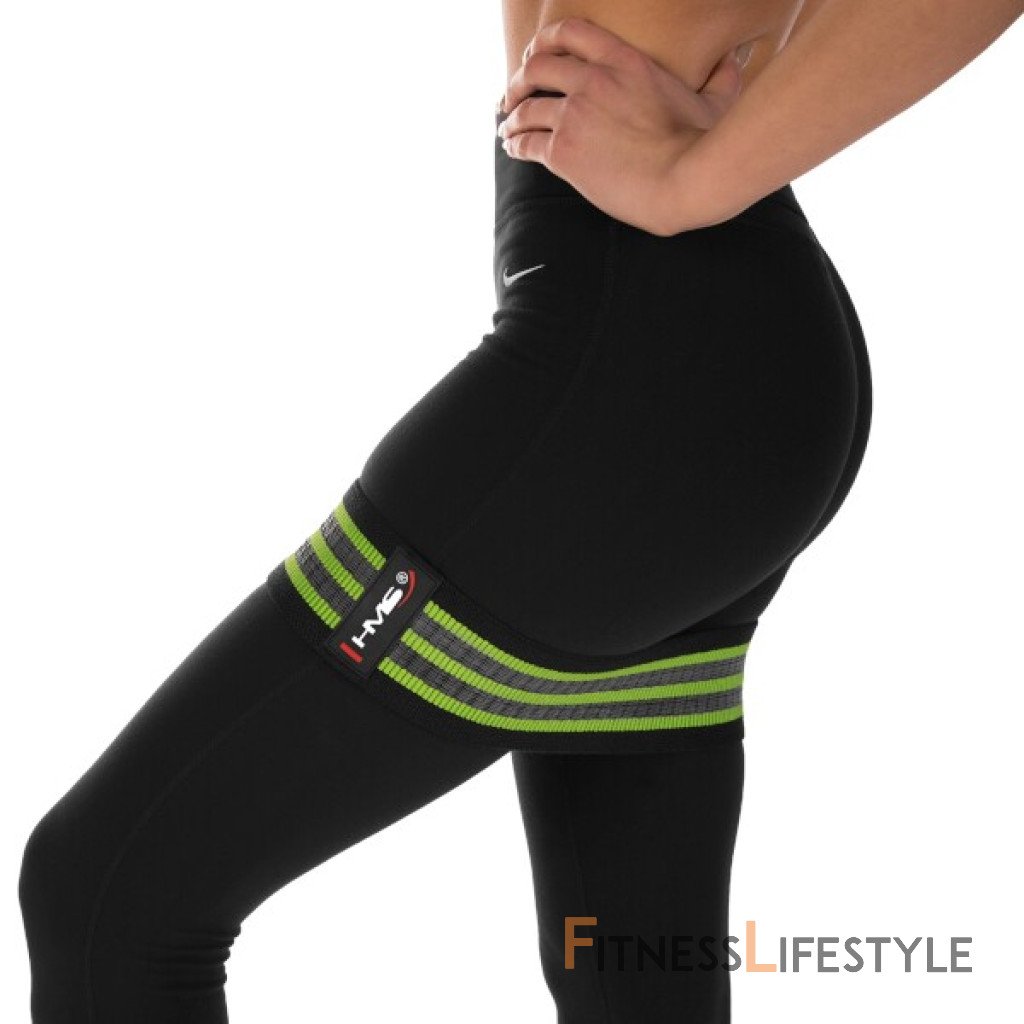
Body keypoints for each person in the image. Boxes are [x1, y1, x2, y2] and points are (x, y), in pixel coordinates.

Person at [18, 1, 1021, 1021]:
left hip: (636, 382)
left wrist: (696, 179)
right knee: (623, 972)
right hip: (668, 362)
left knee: (107, 899)